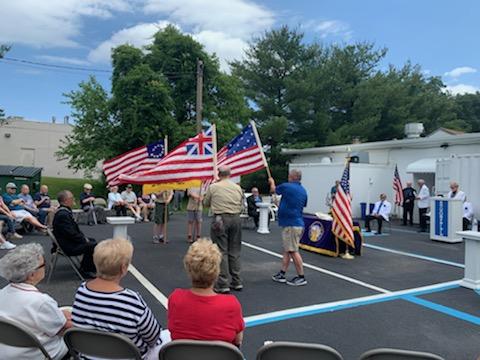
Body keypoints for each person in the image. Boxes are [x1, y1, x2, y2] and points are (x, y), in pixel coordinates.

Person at [72, 238, 166, 360]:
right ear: (123, 268)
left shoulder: (82, 291)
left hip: (90, 356)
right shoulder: (131, 300)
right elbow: (153, 336)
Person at [0, 243, 72, 359]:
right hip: (35, 354)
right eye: (44, 265)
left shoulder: (2, 293)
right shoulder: (41, 301)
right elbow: (63, 329)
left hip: (7, 351)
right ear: (32, 274)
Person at [168, 239, 244, 346]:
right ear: (216, 271)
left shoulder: (176, 298)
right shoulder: (231, 304)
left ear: (189, 269)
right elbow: (238, 340)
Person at [204, 166, 244, 294]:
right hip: (236, 218)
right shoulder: (237, 188)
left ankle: (223, 282)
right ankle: (236, 280)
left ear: (219, 174)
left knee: (221, 251)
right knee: (235, 250)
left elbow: (206, 203)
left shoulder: (214, 187)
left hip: (220, 219)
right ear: (230, 174)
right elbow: (242, 204)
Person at [269, 169, 308, 286]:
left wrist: (271, 182)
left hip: (291, 224)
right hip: (296, 222)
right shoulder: (303, 190)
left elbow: (273, 190)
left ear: (292, 177)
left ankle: (301, 276)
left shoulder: (287, 186)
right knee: (287, 249)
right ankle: (282, 273)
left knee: (292, 250)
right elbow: (301, 204)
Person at [52, 190, 97, 277]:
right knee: (92, 245)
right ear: (66, 200)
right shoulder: (63, 215)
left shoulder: (64, 211)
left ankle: (86, 266)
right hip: (67, 245)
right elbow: (70, 233)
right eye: (72, 198)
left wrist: (84, 238)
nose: (73, 200)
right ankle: (86, 270)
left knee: (92, 241)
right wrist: (83, 239)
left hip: (67, 241)